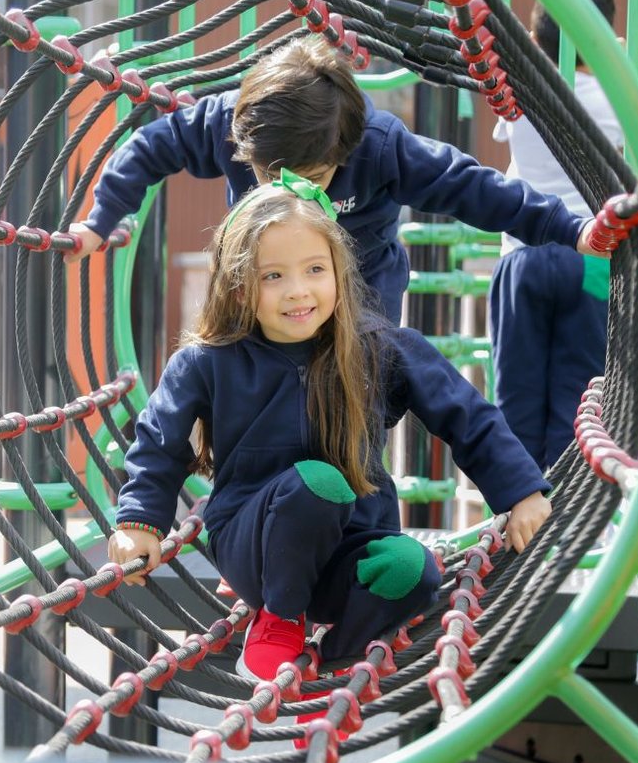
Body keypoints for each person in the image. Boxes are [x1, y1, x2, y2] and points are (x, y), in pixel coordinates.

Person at [105, 179, 552, 680]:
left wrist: (521, 491)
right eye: (273, 276)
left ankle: (332, 661)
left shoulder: (377, 348)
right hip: (256, 544)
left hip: (350, 549)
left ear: (339, 272)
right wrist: (138, 520)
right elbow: (158, 441)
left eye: (315, 270)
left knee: (413, 568)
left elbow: (466, 413)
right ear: (237, 286)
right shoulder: (209, 361)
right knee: (318, 485)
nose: (298, 291)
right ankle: (278, 617)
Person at [65, 35, 604, 320]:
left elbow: (476, 188)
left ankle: (358, 503)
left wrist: (571, 228)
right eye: (271, 179)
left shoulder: (382, 146)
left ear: (347, 151)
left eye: (313, 181)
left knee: (364, 383)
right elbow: (149, 146)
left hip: (360, 288)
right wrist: (101, 219)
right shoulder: (228, 123)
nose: (290, 197)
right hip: (262, 281)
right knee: (237, 373)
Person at [488, 0, 624, 470]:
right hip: (590, 254)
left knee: (514, 401)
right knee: (581, 399)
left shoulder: (519, 92)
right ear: (605, 39)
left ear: (533, 36)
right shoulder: (617, 102)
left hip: (522, 254)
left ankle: (516, 521)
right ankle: (569, 529)